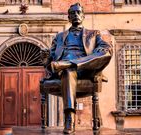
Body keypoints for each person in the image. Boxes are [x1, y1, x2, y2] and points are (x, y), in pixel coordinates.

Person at [41, 3, 113, 134]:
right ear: (69, 17)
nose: (76, 15)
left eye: (78, 12)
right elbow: (50, 62)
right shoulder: (59, 37)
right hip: (64, 70)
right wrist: (45, 59)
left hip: (86, 69)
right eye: (73, 13)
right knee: (68, 71)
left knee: (107, 52)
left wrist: (71, 62)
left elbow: (106, 50)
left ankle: (69, 63)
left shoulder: (94, 34)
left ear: (83, 16)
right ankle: (70, 117)